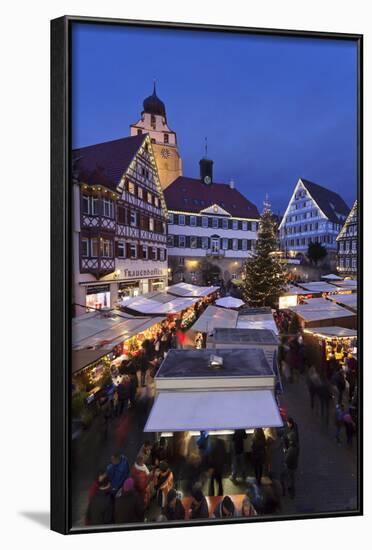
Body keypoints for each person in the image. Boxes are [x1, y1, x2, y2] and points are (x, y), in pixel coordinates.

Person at [281, 432, 299, 499]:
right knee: (292, 478)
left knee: (288, 479)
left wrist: (286, 452)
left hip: (290, 466)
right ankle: (291, 490)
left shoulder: (291, 449)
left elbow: (286, 459)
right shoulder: (296, 447)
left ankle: (290, 492)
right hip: (294, 465)